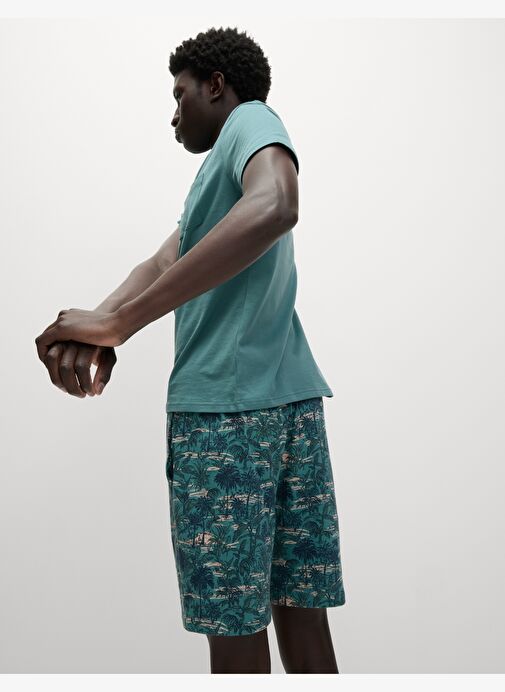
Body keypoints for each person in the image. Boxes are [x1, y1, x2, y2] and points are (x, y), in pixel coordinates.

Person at [35, 26, 346, 674]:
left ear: (216, 85)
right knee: (303, 624)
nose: (173, 113)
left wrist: (120, 323)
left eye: (180, 95)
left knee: (234, 638)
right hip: (292, 409)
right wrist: (96, 326)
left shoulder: (250, 121)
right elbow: (162, 261)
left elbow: (277, 203)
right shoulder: (216, 178)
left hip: (224, 420)